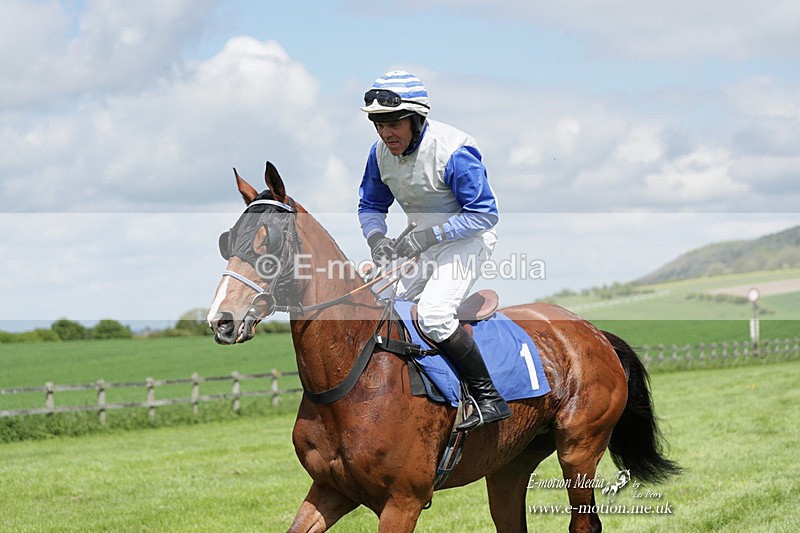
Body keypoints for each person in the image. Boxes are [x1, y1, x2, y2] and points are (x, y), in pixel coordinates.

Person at [357, 70, 511, 431]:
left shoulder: (455, 150)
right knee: (382, 311)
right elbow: (370, 206)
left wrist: (427, 237)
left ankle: (488, 398)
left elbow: (484, 214)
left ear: (415, 118)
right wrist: (377, 239)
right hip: (421, 246)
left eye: (393, 123)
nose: (385, 133)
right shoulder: (379, 154)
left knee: (434, 316)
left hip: (466, 243)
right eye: (378, 124)